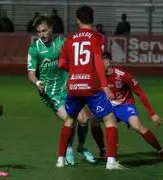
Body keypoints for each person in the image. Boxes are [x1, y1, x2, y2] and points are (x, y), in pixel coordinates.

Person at [58, 5, 126, 170]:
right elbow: (97, 61)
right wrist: (104, 85)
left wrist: (74, 71)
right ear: (92, 19)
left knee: (69, 120)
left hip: (73, 86)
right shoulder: (97, 37)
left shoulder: (70, 39)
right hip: (91, 87)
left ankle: (60, 159)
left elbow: (61, 64)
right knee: (110, 121)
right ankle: (111, 162)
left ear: (77, 20)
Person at [27, 15, 96, 166]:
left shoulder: (62, 43)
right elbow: (31, 74)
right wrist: (38, 82)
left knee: (84, 120)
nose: (42, 34)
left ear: (51, 29)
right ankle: (69, 148)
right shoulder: (34, 49)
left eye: (44, 30)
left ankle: (81, 147)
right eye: (39, 32)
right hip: (50, 93)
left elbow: (76, 58)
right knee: (69, 120)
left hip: (68, 88)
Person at [91, 51, 163, 160]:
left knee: (136, 126)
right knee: (94, 121)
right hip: (109, 106)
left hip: (125, 105)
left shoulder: (122, 75)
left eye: (99, 63)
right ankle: (103, 151)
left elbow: (140, 93)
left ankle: (161, 150)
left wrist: (152, 114)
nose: (97, 66)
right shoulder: (97, 77)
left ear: (108, 62)